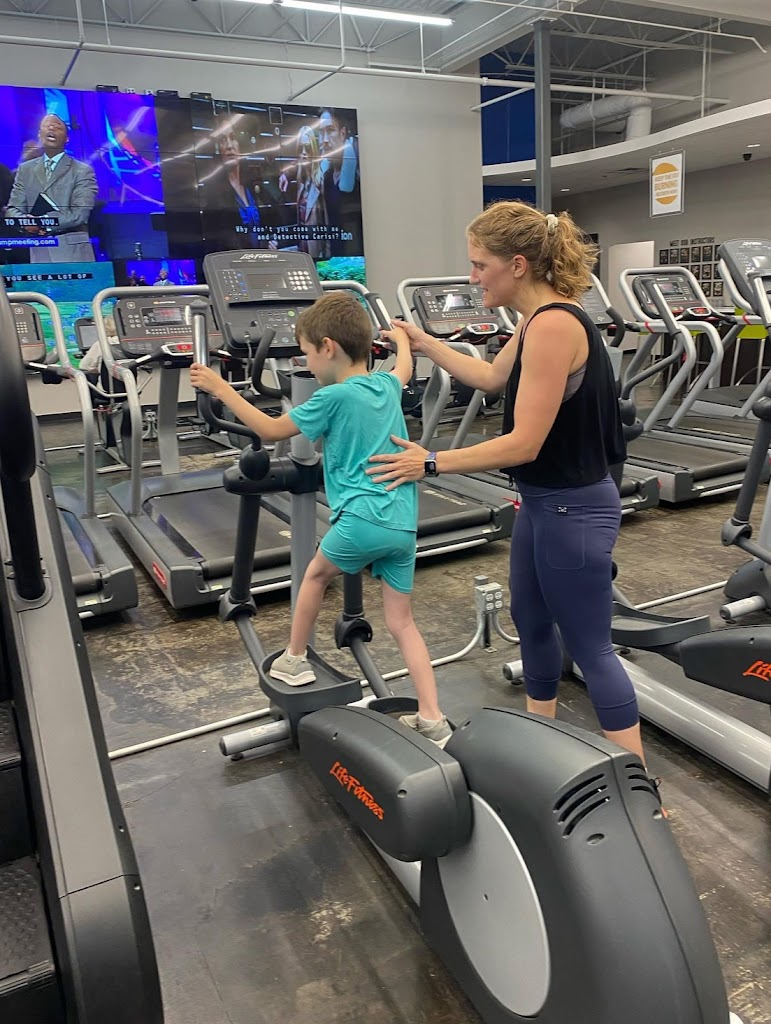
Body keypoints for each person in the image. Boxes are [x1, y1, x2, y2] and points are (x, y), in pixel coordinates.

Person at [368, 201, 646, 765]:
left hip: (574, 510)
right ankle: (539, 743)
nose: (473, 278)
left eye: (480, 265)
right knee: (532, 622)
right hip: (542, 505)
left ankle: (642, 784)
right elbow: (491, 377)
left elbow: (524, 444)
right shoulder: (535, 320)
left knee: (591, 649)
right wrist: (424, 342)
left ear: (517, 265)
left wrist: (431, 462)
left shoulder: (555, 325)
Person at [190, 292, 451, 746]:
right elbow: (405, 369)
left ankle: (294, 659)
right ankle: (432, 718)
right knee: (402, 622)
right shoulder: (386, 385)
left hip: (362, 518)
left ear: (328, 347)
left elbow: (271, 429)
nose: (307, 364)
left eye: (307, 353)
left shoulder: (332, 397)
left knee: (314, 576)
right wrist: (401, 342)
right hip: (403, 524)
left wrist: (221, 389)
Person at [6, 113, 97, 263]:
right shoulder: (25, 169)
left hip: (72, 253)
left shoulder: (82, 171)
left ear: (67, 138)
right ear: (39, 134)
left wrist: (43, 222)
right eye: (47, 126)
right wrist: (26, 223)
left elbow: (79, 213)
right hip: (39, 252)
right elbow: (13, 209)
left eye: (57, 127)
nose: (51, 128)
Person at [317, 108, 362, 258]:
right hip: (334, 260)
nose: (324, 140)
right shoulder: (327, 177)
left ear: (342, 134)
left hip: (355, 261)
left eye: (330, 130)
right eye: (321, 132)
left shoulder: (358, 174)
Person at [294, 124, 328, 260]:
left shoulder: (321, 182)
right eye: (300, 149)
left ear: (313, 150)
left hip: (317, 254)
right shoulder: (301, 183)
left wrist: (326, 258)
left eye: (307, 148)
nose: (303, 153)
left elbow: (328, 225)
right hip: (303, 252)